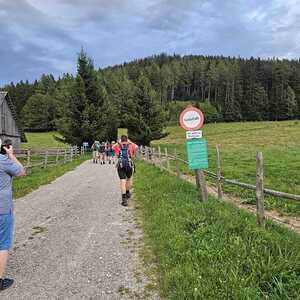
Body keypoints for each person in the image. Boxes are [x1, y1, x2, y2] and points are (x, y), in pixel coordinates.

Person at [0, 139, 25, 291]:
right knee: (3, 244)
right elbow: (22, 171)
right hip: (2, 209)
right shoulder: (4, 161)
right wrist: (11, 155)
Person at [113, 135, 137, 206]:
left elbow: (112, 147)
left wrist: (118, 142)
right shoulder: (131, 145)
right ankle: (127, 192)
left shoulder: (117, 146)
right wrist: (130, 142)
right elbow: (137, 147)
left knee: (122, 181)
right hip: (129, 165)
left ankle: (124, 200)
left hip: (120, 165)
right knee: (128, 179)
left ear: (121, 140)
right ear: (127, 140)